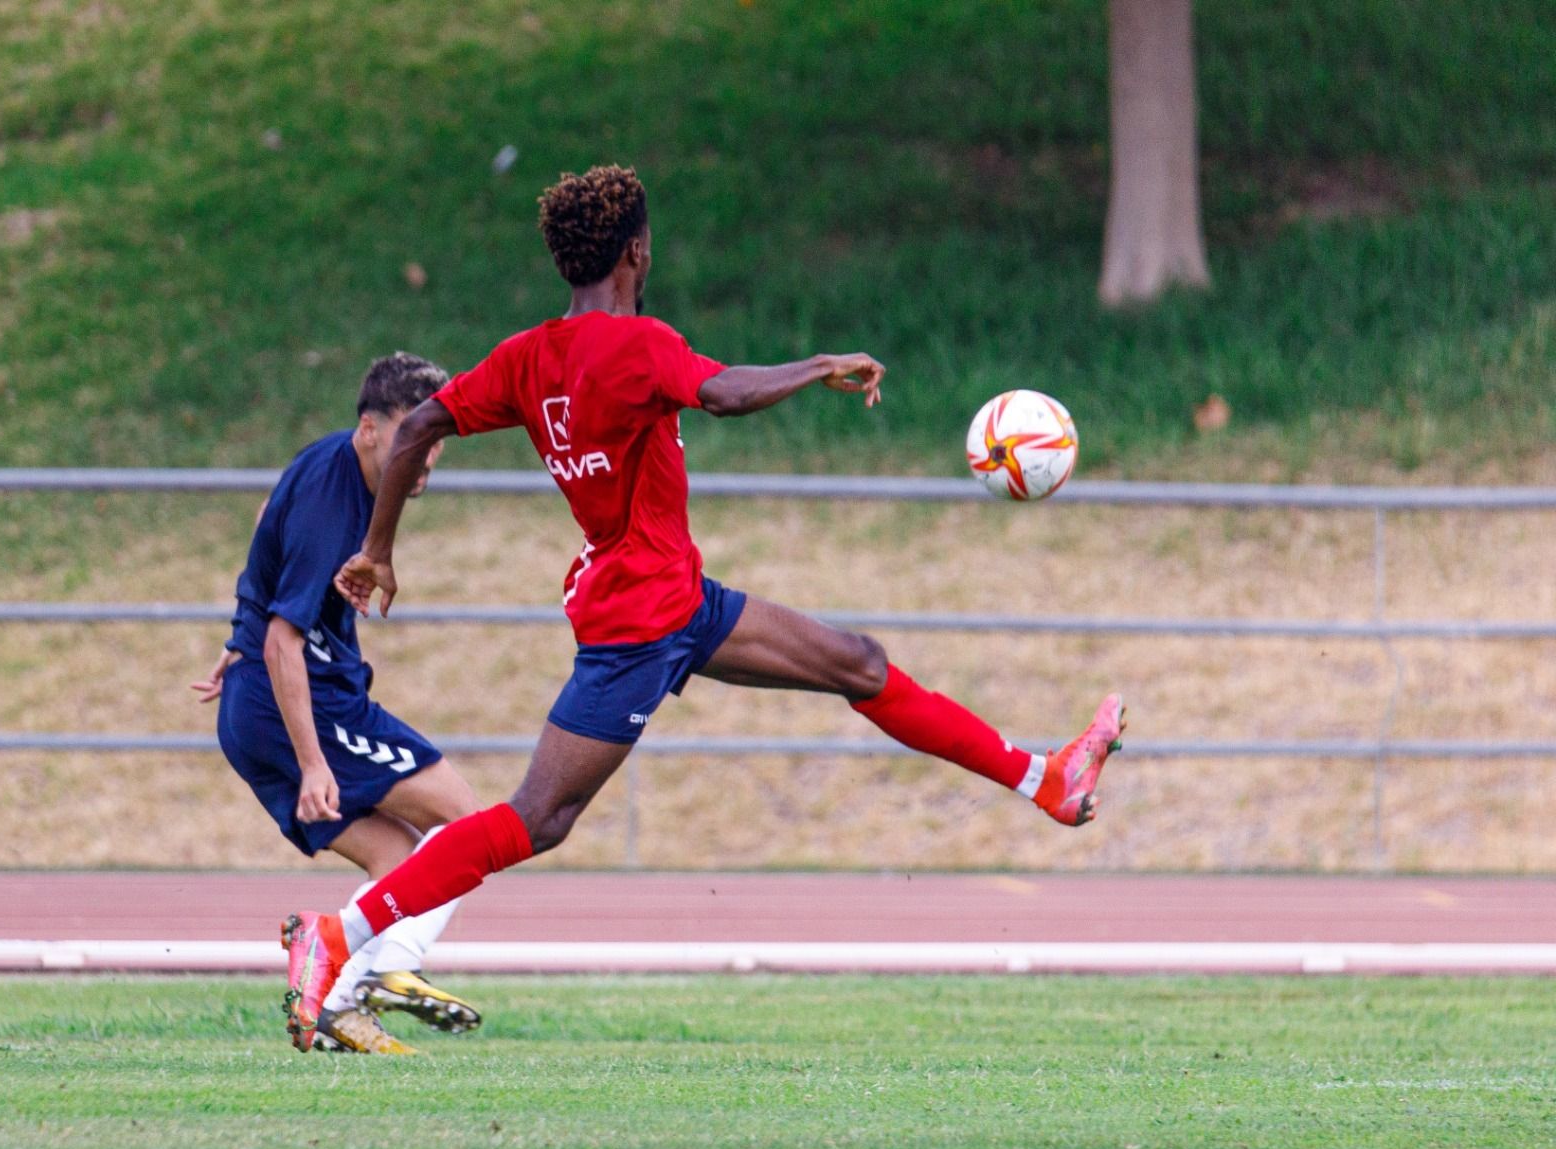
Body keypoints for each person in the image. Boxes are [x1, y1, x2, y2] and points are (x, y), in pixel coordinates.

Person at [280, 167, 1126, 1044]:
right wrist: (821, 365)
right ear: (637, 252)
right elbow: (723, 392)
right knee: (538, 817)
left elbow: (418, 427)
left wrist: (379, 550)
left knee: (858, 663)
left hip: (675, 596)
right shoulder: (637, 344)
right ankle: (341, 934)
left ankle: (1046, 778)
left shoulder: (526, 357)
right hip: (640, 623)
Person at [193, 352, 485, 1054]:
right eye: (414, 442)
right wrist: (314, 762)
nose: (427, 462)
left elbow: (269, 520)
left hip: (259, 706)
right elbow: (284, 644)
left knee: (400, 860)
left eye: (436, 444)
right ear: (368, 429)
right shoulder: (336, 499)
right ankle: (382, 969)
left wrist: (241, 628)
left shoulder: (338, 465)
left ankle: (332, 1001)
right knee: (467, 822)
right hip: (302, 704)